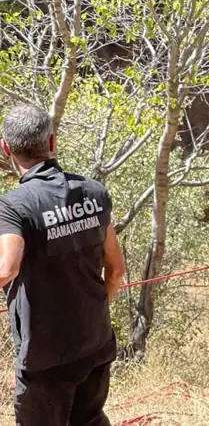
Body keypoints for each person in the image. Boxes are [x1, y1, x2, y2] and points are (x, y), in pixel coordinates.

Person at [0, 103, 126, 426]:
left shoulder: (14, 207)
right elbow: (117, 268)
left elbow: (6, 269)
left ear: (6, 148)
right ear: (52, 143)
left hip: (45, 361)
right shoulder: (95, 193)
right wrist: (94, 311)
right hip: (95, 345)